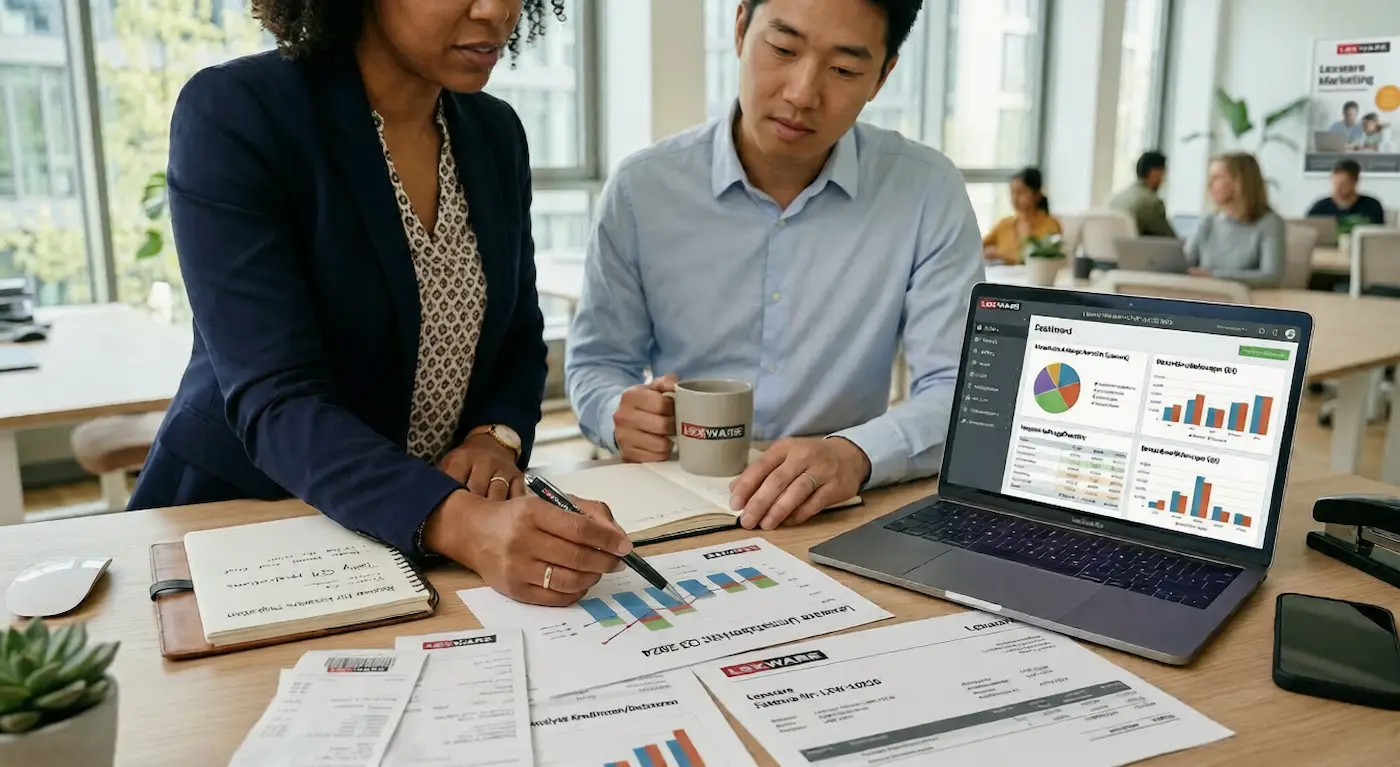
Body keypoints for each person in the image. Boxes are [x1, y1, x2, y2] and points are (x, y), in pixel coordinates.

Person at [127, 0, 633, 608]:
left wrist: (493, 437)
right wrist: (458, 521)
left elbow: (519, 335)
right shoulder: (239, 111)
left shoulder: (494, 131)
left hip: (432, 550)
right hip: (251, 529)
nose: (498, 9)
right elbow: (278, 398)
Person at [565, 0, 983, 532]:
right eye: (783, 49)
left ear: (882, 76)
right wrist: (618, 415)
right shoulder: (642, 188)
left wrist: (856, 453)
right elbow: (597, 363)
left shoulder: (925, 190)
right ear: (741, 28)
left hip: (839, 504)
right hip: (681, 497)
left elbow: (959, 389)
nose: (802, 94)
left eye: (843, 70)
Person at [1185, 152, 1285, 288]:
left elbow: (1272, 277)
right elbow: (1186, 262)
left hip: (1246, 298)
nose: (1209, 185)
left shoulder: (1270, 223)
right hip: (1204, 295)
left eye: (1217, 178)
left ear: (1240, 182)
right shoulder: (1209, 221)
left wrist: (1213, 276)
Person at [982, 167, 1061, 264]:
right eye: (1012, 192)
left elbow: (1038, 260)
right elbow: (978, 247)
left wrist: (999, 254)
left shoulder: (1050, 224)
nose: (1015, 198)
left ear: (1037, 195)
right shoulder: (1004, 224)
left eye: (1021, 192)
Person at [1107, 151, 1175, 238]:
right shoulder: (1151, 203)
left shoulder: (1116, 198)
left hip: (1112, 246)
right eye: (1162, 173)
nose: (1164, 179)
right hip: (1135, 246)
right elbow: (1170, 239)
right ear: (1154, 173)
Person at [1306, 159, 1386, 225]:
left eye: (1343, 184)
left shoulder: (1372, 207)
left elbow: (1379, 236)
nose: (1337, 189)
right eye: (1335, 184)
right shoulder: (1319, 209)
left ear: (1355, 182)